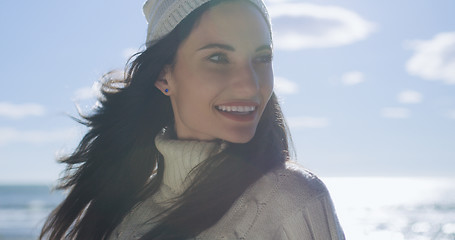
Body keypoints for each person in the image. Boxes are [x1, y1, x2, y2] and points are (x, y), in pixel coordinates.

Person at [40, 0, 345, 239]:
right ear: (163, 74)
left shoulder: (292, 200)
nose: (250, 85)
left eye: (262, 58)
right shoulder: (124, 213)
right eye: (218, 58)